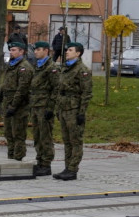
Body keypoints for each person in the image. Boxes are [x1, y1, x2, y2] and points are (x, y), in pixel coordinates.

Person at [53, 42, 93, 181]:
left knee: (75, 140)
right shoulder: (65, 68)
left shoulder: (82, 70)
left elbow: (86, 93)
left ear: (78, 53)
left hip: (74, 109)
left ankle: (73, 168)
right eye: (67, 50)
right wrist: (57, 108)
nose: (67, 52)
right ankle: (67, 167)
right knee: (67, 140)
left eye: (70, 50)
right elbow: (59, 90)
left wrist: (81, 112)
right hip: (64, 108)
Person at [29, 41, 59, 176]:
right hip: (36, 105)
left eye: (38, 49)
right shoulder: (37, 66)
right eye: (35, 50)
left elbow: (56, 89)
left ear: (46, 51)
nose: (35, 52)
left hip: (45, 106)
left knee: (45, 136)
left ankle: (46, 164)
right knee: (37, 135)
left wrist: (50, 108)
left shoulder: (51, 68)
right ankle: (40, 160)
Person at [0, 40, 33, 162]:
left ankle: (18, 158)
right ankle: (11, 156)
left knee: (18, 133)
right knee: (8, 132)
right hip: (8, 103)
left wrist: (13, 106)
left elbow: (22, 89)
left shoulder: (25, 67)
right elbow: (4, 85)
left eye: (14, 50)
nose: (11, 52)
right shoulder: (12, 65)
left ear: (22, 51)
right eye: (11, 50)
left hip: (19, 106)